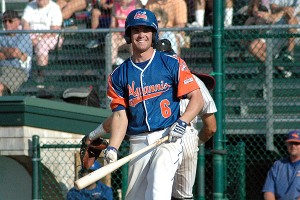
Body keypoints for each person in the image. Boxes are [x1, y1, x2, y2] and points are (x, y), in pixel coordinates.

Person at [105, 9, 203, 200]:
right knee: (135, 197)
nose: (141, 34)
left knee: (158, 185)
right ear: (128, 35)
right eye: (136, 30)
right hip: (138, 141)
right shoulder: (118, 75)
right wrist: (113, 147)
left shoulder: (171, 62)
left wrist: (182, 122)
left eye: (146, 30)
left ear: (154, 34)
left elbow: (196, 98)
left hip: (168, 137)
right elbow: (119, 116)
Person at [248, 0, 299, 78]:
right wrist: (283, 10)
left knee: (291, 19)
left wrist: (279, 13)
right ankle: (279, 67)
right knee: (253, 46)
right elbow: (273, 7)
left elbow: (294, 11)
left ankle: (289, 53)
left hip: (296, 31)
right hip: (278, 29)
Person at [0, 10, 33, 96]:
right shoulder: (1, 35)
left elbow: (15, 52)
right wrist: (9, 52)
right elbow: (13, 53)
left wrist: (2, 50)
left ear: (18, 22)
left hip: (17, 70)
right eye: (4, 21)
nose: (7, 24)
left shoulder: (23, 35)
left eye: (10, 21)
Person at [22, 0, 63, 67]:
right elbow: (24, 22)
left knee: (41, 45)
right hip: (32, 34)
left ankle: (41, 71)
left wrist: (38, 38)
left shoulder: (54, 8)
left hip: (51, 37)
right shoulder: (30, 5)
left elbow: (54, 30)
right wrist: (28, 36)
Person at [262, 130, 300, 200]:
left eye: (296, 143)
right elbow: (268, 191)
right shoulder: (277, 165)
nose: (293, 146)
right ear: (287, 144)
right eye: (291, 143)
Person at [110, 0, 136, 65]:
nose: (119, 1)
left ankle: (135, 66)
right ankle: (112, 65)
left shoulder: (135, 3)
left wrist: (125, 18)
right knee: (111, 37)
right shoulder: (115, 4)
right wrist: (114, 31)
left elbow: (138, 23)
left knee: (134, 36)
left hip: (131, 34)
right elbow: (112, 25)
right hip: (119, 35)